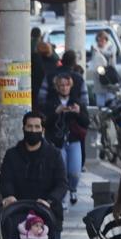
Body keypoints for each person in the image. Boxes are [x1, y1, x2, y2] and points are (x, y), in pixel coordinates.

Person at [0, 111, 69, 222]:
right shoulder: (12, 154)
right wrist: (9, 196)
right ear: (23, 129)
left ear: (43, 130)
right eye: (29, 126)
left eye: (37, 127)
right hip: (18, 214)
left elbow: (62, 184)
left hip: (48, 215)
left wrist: (50, 201)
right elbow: (5, 180)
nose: (33, 130)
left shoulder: (54, 154)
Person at [40, 71, 88, 206]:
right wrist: (56, 112)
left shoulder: (76, 101)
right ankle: (63, 196)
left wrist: (77, 113)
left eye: (67, 85)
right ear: (57, 87)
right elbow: (45, 122)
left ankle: (73, 189)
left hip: (73, 140)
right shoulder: (50, 102)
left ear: (70, 86)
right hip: (57, 141)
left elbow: (86, 122)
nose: (64, 88)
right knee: (62, 170)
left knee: (75, 171)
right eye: (61, 85)